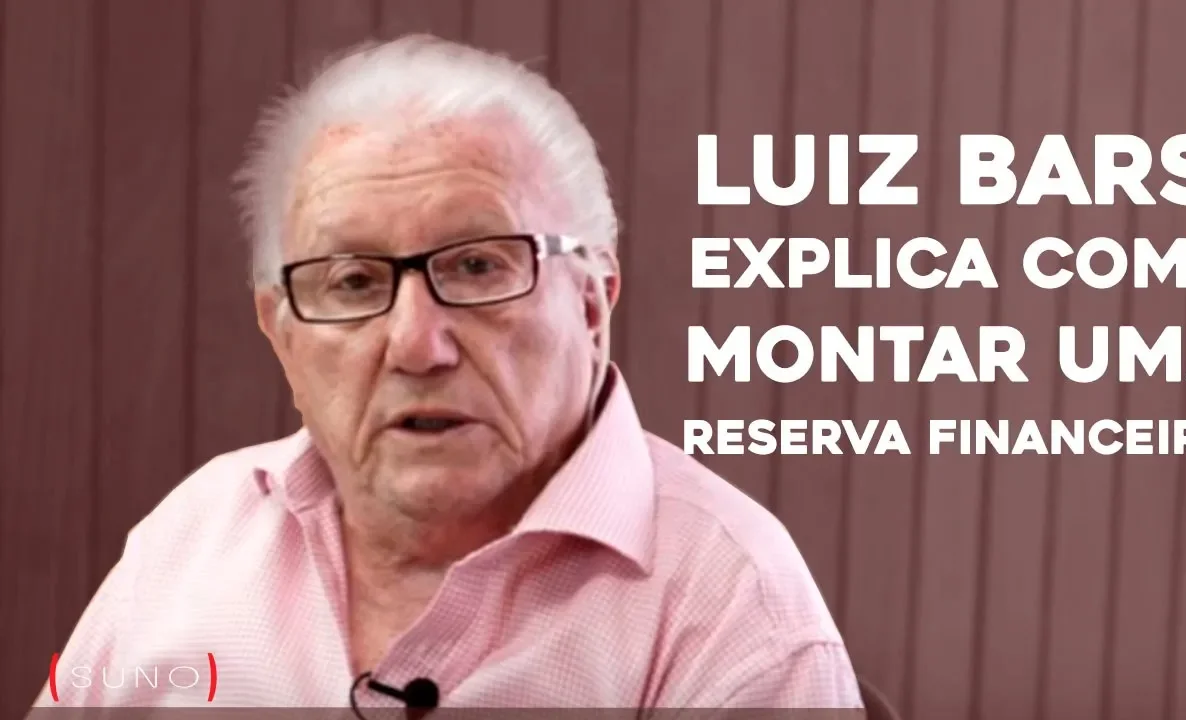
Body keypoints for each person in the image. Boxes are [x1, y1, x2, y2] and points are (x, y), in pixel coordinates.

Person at [31, 34, 864, 712]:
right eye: (353, 281)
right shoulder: (191, 538)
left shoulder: (733, 613)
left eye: (476, 267)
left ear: (592, 303)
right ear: (280, 334)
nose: (417, 345)